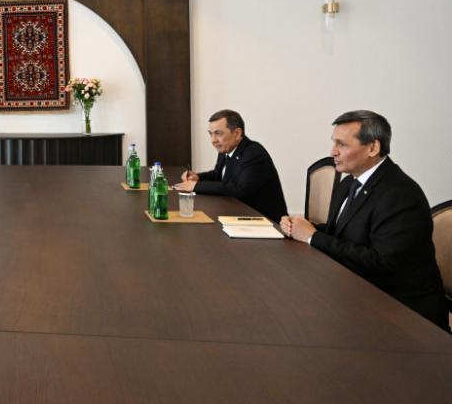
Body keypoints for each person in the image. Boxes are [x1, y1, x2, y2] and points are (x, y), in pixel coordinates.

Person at [281, 110, 448, 331]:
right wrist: (301, 228)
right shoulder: (349, 183)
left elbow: (381, 264)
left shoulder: (400, 195)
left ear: (373, 148)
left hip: (402, 314)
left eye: (342, 144)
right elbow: (342, 232)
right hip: (357, 292)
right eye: (334, 143)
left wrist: (313, 237)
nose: (333, 152)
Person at [174, 109, 287, 222]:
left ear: (237, 133)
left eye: (218, 133)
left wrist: (196, 186)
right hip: (238, 214)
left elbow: (240, 191)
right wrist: (198, 177)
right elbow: (218, 175)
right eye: (210, 134)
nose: (213, 140)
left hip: (265, 221)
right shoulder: (226, 149)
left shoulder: (254, 153)